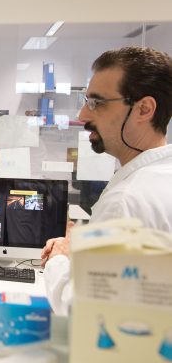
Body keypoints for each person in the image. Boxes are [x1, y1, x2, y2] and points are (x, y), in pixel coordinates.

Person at [41, 47, 172, 315]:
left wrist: (60, 259)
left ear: (144, 109)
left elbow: (84, 312)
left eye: (96, 103)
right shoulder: (160, 176)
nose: (84, 116)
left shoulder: (127, 200)